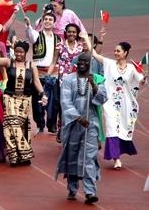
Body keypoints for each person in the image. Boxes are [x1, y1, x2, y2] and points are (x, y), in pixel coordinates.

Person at [55, 52, 108, 205]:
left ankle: (90, 192)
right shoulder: (69, 79)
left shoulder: (97, 79)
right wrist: (78, 118)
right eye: (81, 61)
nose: (83, 63)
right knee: (72, 156)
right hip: (73, 124)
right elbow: (65, 103)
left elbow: (102, 99)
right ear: (77, 62)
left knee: (87, 157)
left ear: (90, 63)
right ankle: (72, 188)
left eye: (86, 61)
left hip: (91, 124)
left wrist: (94, 85)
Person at [0, 40, 48, 166]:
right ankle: (17, 155)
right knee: (11, 124)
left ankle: (21, 157)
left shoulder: (31, 66)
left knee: (21, 126)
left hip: (25, 100)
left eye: (21, 52)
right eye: (17, 51)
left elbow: (36, 81)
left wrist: (43, 94)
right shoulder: (9, 62)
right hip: (10, 97)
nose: (18, 54)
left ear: (26, 53)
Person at [91, 41, 146, 170]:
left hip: (127, 105)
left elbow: (140, 81)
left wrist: (144, 78)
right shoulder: (109, 64)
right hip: (110, 103)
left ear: (125, 53)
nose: (115, 53)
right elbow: (94, 54)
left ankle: (121, 152)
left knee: (124, 128)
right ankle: (117, 159)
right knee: (112, 128)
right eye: (115, 51)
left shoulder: (132, 68)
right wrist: (85, 37)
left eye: (118, 51)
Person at [24, 13, 61, 133]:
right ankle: (40, 123)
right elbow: (30, 36)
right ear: (42, 21)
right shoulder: (36, 35)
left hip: (53, 73)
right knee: (37, 100)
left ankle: (52, 125)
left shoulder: (58, 39)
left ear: (54, 23)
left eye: (51, 19)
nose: (48, 21)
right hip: (38, 73)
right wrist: (28, 25)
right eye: (46, 19)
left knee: (54, 101)